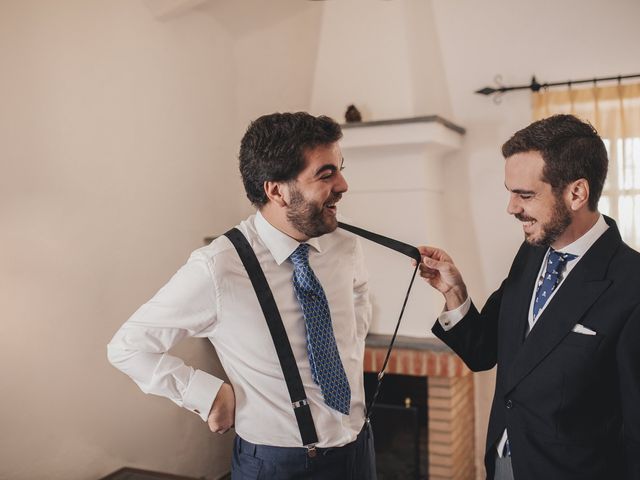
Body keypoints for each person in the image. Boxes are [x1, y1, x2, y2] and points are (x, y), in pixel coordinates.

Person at [108, 112, 375, 479]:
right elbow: (128, 345)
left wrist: (349, 347)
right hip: (278, 465)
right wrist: (207, 395)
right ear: (276, 190)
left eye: (340, 169)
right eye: (326, 174)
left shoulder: (344, 245)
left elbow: (359, 295)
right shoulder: (217, 267)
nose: (343, 184)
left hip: (359, 450)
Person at [418, 114, 640, 480]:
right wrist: (454, 292)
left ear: (576, 193)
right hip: (502, 464)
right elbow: (484, 351)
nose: (511, 207)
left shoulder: (631, 284)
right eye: (510, 192)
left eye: (525, 195)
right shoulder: (531, 253)